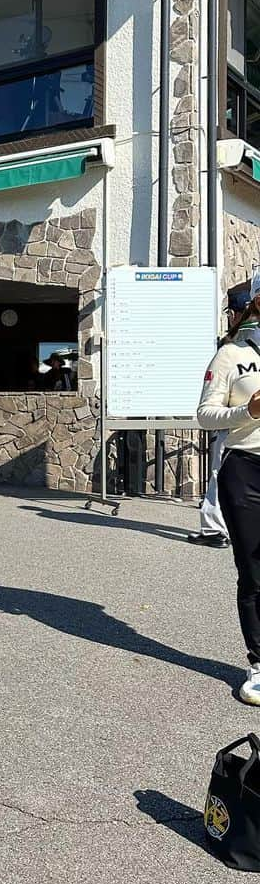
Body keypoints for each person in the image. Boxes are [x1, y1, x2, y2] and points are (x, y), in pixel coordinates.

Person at [197, 270, 260, 704]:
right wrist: (250, 411)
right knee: (255, 572)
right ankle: (259, 665)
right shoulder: (230, 356)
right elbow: (204, 415)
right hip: (247, 470)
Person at [189, 287, 251, 549]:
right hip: (236, 420)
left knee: (220, 473)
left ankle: (215, 529)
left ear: (236, 314)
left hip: (232, 423)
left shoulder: (230, 347)